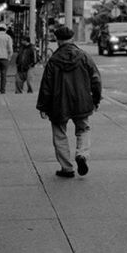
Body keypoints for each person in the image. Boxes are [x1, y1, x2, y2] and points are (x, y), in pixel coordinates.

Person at [36, 26, 102, 178]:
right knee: (83, 128)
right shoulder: (84, 56)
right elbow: (96, 80)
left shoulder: (53, 60)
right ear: (72, 39)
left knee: (59, 133)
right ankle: (82, 154)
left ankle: (67, 168)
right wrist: (96, 99)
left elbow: (46, 85)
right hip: (81, 100)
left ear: (58, 40)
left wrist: (43, 106)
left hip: (59, 103)